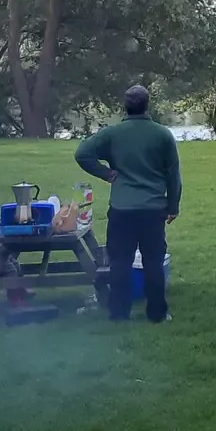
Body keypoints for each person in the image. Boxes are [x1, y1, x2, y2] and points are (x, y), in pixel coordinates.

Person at [75, 84, 182, 323]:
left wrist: (106, 173)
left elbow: (82, 153)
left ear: (125, 106)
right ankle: (157, 314)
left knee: (120, 262)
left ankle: (119, 313)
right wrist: (173, 206)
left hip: (122, 209)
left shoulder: (113, 134)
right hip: (153, 209)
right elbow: (173, 175)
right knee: (153, 261)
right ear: (147, 105)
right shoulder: (162, 134)